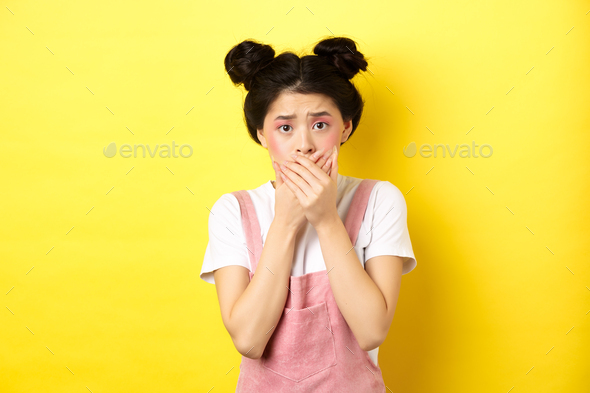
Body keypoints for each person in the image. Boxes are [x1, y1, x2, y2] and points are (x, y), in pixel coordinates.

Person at [200, 36, 417, 392]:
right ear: (261, 135)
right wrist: (285, 222)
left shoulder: (379, 199)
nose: (304, 144)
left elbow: (371, 331)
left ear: (345, 127)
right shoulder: (233, 211)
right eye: (285, 127)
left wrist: (326, 219)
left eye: (320, 125)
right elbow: (249, 341)